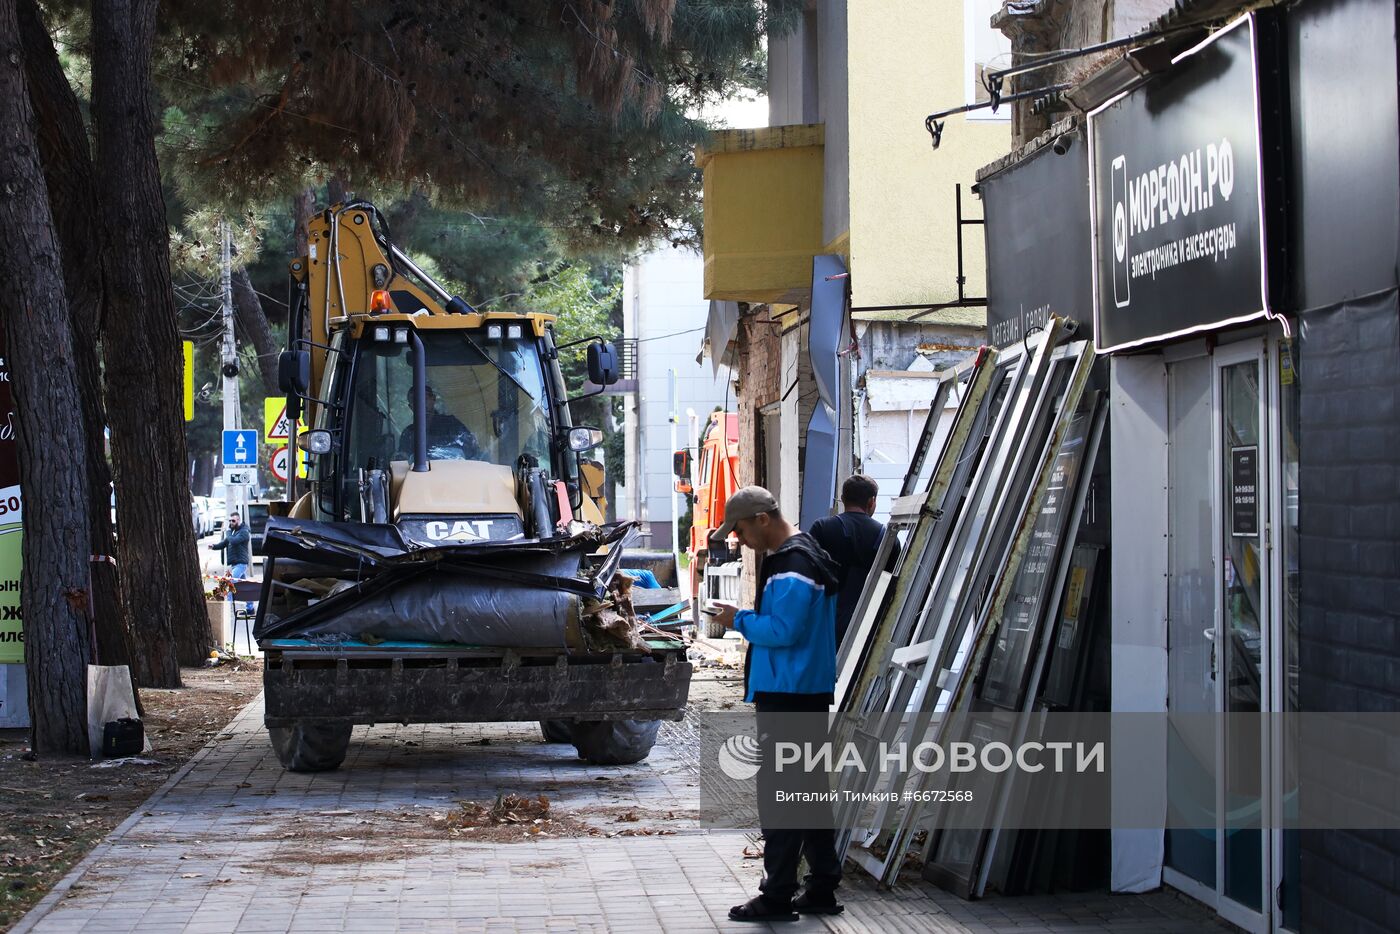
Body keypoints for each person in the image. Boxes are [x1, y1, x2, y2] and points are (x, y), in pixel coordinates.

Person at [710, 486, 845, 922]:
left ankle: (777, 895)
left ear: (763, 519)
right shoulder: (806, 553)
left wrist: (739, 620)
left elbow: (784, 630)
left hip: (788, 690)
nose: (740, 539)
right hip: (802, 687)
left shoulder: (792, 564)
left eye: (742, 529)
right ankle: (822, 885)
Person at [808, 474, 898, 647]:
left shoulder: (822, 528)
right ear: (872, 502)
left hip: (825, 626)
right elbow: (893, 589)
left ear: (842, 499)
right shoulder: (888, 539)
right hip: (868, 629)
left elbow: (806, 575)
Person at [398, 385, 479, 459]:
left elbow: (471, 451)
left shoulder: (451, 424)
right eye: (414, 401)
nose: (420, 404)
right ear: (410, 407)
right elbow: (404, 459)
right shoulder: (408, 433)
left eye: (424, 398)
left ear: (433, 399)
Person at [213, 512, 251, 580]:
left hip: (240, 564)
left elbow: (233, 541)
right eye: (230, 521)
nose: (231, 522)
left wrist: (228, 532)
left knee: (231, 584)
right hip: (235, 564)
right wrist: (213, 546)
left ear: (238, 520)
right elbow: (224, 543)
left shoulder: (244, 532)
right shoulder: (233, 531)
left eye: (233, 521)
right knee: (241, 586)